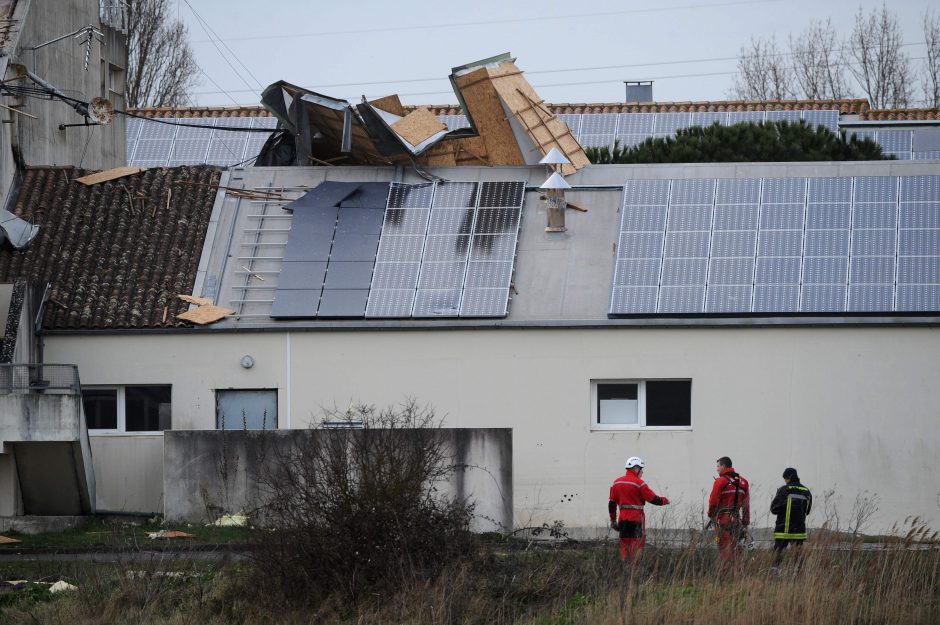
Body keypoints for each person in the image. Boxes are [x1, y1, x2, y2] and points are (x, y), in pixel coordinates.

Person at [608, 456, 670, 562]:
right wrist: (665, 500)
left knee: (624, 545)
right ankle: (635, 572)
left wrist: (613, 520)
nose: (642, 473)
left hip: (622, 520)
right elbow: (653, 499)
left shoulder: (616, 483)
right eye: (641, 470)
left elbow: (611, 504)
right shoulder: (639, 483)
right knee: (637, 545)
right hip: (636, 520)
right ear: (636, 468)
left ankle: (626, 570)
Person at [707, 456, 750, 566]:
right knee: (737, 550)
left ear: (723, 466)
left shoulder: (720, 481)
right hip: (737, 521)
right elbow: (746, 505)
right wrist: (745, 523)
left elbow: (713, 501)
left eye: (718, 466)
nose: (717, 469)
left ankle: (726, 577)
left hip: (723, 519)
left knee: (725, 550)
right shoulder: (744, 482)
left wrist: (711, 515)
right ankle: (738, 575)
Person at [770, 467, 812, 568]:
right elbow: (807, 511)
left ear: (789, 477)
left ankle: (774, 575)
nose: (785, 481)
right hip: (799, 531)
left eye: (785, 479)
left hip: (783, 530)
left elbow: (774, 509)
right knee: (798, 557)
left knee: (778, 556)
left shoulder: (784, 490)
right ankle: (798, 576)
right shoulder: (806, 491)